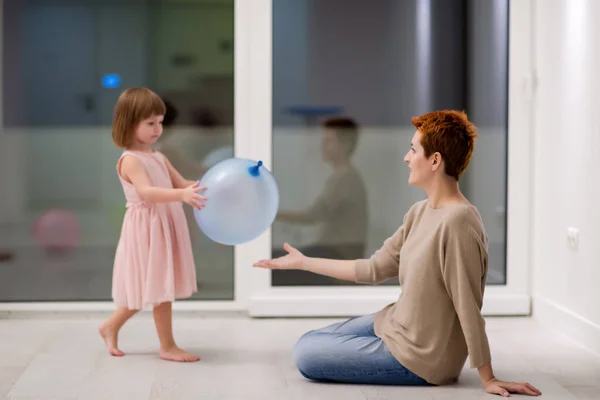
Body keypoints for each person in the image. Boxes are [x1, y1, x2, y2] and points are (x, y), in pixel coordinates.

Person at [254, 110, 542, 397]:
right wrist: (303, 262)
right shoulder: (419, 212)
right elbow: (373, 269)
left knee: (306, 353)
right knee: (311, 340)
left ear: (435, 161)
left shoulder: (459, 222)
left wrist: (487, 376)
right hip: (396, 323)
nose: (406, 157)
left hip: (421, 357)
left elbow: (468, 306)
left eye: (413, 149)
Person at [99, 87, 206, 362]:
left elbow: (181, 183)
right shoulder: (131, 160)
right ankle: (167, 346)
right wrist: (181, 196)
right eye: (150, 123)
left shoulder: (158, 156)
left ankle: (111, 325)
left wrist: (202, 187)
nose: (158, 129)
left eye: (160, 122)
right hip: (147, 227)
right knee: (159, 286)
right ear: (129, 122)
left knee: (157, 284)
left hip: (164, 223)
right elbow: (147, 192)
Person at [273, 117, 368, 286]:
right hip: (333, 252)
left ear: (344, 146)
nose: (322, 146)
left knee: (276, 263)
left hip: (339, 256)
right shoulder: (342, 176)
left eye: (328, 141)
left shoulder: (346, 179)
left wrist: (272, 214)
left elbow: (313, 215)